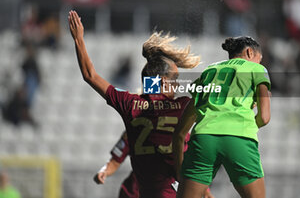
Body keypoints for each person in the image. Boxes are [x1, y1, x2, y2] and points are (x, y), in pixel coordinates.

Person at [68, 11, 214, 198]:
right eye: (175, 79)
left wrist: (79, 39)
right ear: (162, 81)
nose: (177, 85)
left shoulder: (130, 104)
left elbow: (90, 76)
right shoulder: (183, 105)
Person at [173, 36, 271, 198]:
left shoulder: (209, 72)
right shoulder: (258, 70)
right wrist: (247, 125)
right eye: (259, 60)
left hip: (204, 139)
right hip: (240, 140)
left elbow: (180, 131)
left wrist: (180, 172)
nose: (259, 64)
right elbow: (265, 117)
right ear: (249, 52)